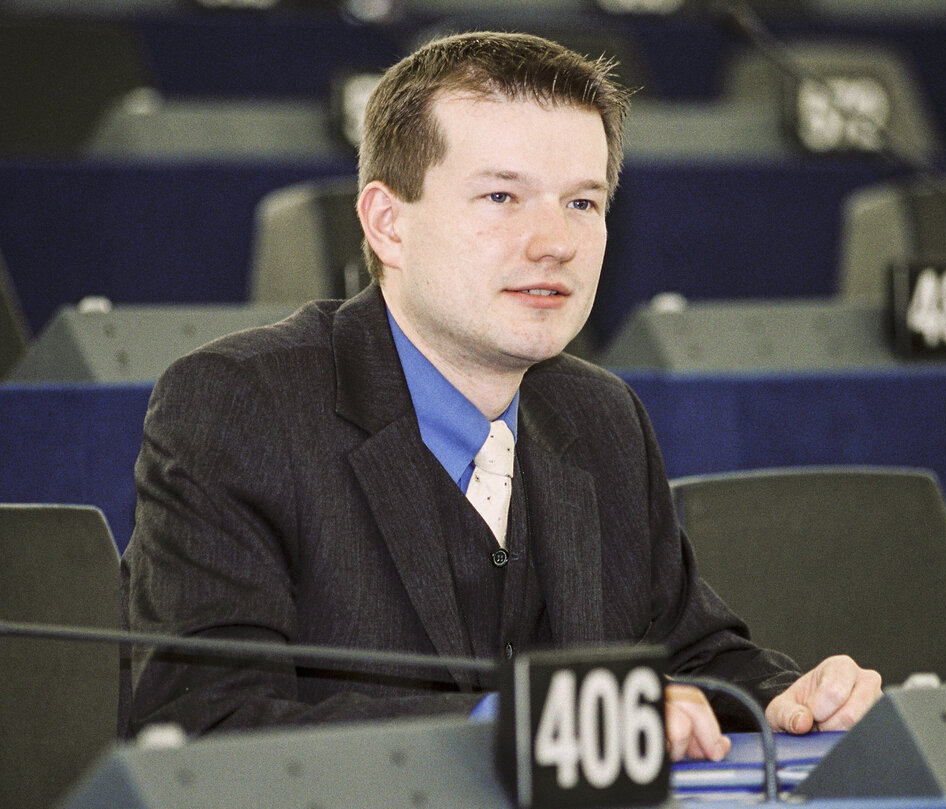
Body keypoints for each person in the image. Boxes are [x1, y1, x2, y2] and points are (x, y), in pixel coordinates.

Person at [122, 30, 881, 762]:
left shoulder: (601, 417)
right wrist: (517, 721)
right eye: (501, 197)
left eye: (582, 203)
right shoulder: (237, 406)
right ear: (387, 224)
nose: (554, 241)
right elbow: (205, 723)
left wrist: (792, 696)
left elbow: (690, 653)